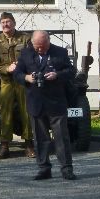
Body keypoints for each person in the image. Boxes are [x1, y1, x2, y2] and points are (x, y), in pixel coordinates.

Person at [14, 30, 77, 180]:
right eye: (37, 46)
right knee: (40, 138)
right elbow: (17, 74)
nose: (40, 49)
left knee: (61, 137)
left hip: (56, 102)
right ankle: (44, 168)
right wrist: (27, 77)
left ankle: (66, 168)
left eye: (42, 46)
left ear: (48, 41)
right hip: (36, 101)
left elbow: (71, 71)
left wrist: (57, 75)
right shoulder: (26, 53)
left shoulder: (60, 52)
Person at [0, 12, 33, 159]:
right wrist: (7, 68)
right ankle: (4, 146)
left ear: (14, 23)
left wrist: (19, 66)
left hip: (23, 80)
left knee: (26, 111)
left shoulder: (25, 38)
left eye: (8, 22)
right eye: (3, 22)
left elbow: (31, 58)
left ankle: (29, 144)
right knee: (5, 113)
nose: (5, 25)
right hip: (6, 81)